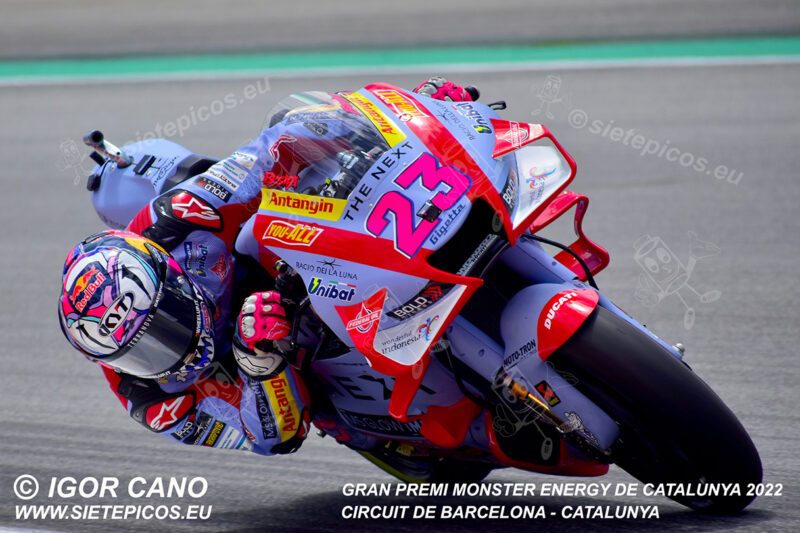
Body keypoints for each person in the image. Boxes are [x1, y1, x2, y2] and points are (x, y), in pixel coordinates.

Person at [58, 79, 477, 455]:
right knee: (356, 425)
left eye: (164, 326)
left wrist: (415, 119)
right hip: (282, 357)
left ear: (171, 281)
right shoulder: (152, 401)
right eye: (140, 354)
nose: (168, 352)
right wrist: (260, 368)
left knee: (295, 122)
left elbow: (269, 153)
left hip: (290, 261)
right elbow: (270, 439)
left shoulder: (181, 217)